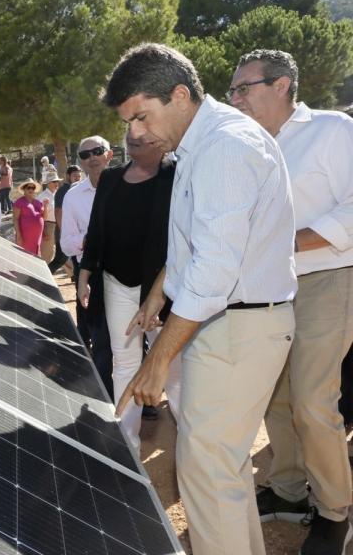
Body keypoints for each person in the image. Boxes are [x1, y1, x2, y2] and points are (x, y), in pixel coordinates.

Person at [106, 43, 297, 555]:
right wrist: (158, 292)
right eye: (128, 122)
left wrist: (158, 360)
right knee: (221, 475)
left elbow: (214, 269)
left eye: (142, 116)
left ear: (181, 94)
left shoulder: (226, 148)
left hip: (240, 327)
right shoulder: (200, 147)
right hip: (229, 327)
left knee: (206, 475)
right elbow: (194, 242)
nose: (136, 134)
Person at [228, 49, 353, 552]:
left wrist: (292, 240)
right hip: (271, 287)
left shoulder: (332, 131)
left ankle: (334, 510)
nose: (234, 98)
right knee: (275, 396)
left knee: (311, 400)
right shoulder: (249, 145)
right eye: (232, 90)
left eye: (243, 88)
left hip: (329, 278)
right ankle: (288, 491)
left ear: (281, 85)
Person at [76, 131, 181, 449]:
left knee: (174, 369)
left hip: (164, 288)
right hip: (116, 283)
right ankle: (127, 445)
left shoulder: (177, 173)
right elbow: (96, 228)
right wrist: (85, 272)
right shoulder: (111, 178)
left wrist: (160, 289)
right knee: (124, 363)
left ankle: (191, 445)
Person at [60, 137, 115, 397]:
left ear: (109, 154)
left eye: (97, 151)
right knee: (102, 343)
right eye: (84, 155)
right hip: (93, 277)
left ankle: (143, 402)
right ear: (80, 162)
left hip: (131, 275)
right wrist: (88, 240)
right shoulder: (73, 197)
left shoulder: (129, 186)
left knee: (137, 341)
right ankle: (108, 401)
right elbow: (67, 244)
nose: (91, 157)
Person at [50, 165, 82, 275]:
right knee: (60, 259)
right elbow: (58, 211)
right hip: (64, 232)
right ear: (68, 176)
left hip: (75, 232)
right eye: (75, 176)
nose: (77, 178)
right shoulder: (63, 190)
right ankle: (42, 277)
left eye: (79, 176)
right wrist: (64, 231)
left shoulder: (77, 189)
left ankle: (77, 279)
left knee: (73, 259)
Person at [12, 179, 44, 256]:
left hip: (37, 236)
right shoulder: (19, 202)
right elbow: (15, 219)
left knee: (35, 256)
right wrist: (18, 235)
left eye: (33, 188)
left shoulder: (38, 202)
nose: (31, 189)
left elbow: (43, 217)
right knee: (24, 256)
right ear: (24, 189)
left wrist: (45, 206)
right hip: (25, 235)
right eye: (28, 188)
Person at [37, 171, 60, 262]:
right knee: (47, 254)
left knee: (61, 254)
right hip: (48, 226)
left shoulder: (57, 194)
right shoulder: (42, 197)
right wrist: (43, 231)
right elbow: (38, 216)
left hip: (57, 225)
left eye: (57, 181)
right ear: (48, 183)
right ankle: (43, 275)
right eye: (54, 181)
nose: (57, 183)